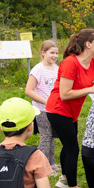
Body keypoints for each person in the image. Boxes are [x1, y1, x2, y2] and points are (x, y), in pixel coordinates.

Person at [45, 30, 94, 188]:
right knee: (73, 147)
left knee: (68, 144)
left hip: (71, 112)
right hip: (58, 109)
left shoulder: (93, 63)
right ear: (88, 44)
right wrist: (90, 89)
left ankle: (64, 179)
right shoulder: (70, 63)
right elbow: (64, 94)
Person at [24, 40, 60, 172]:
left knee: (52, 136)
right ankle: (43, 167)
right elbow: (28, 91)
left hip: (55, 109)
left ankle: (52, 164)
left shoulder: (57, 68)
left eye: (56, 53)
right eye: (52, 53)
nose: (55, 56)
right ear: (43, 53)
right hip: (42, 109)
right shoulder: (38, 70)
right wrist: (46, 101)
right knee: (45, 136)